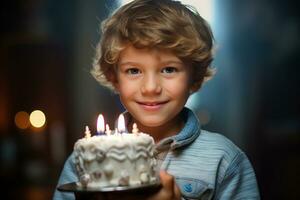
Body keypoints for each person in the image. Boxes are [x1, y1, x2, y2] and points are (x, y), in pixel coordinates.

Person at [53, 0, 260, 199]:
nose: (151, 88)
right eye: (133, 70)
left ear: (194, 78)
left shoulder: (223, 160)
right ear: (114, 79)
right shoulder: (88, 161)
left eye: (169, 69)